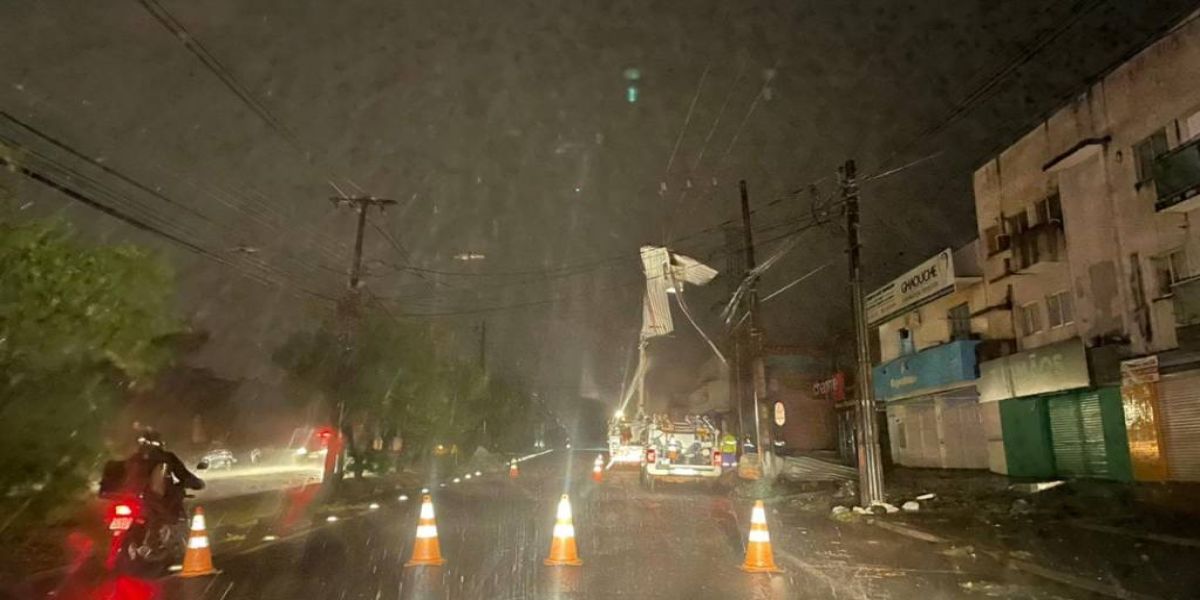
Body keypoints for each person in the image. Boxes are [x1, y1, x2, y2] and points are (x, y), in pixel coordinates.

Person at [123, 429, 205, 519]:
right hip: (157, 501)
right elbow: (183, 474)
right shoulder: (166, 457)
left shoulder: (133, 459)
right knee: (176, 517)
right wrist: (196, 483)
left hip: (140, 499)